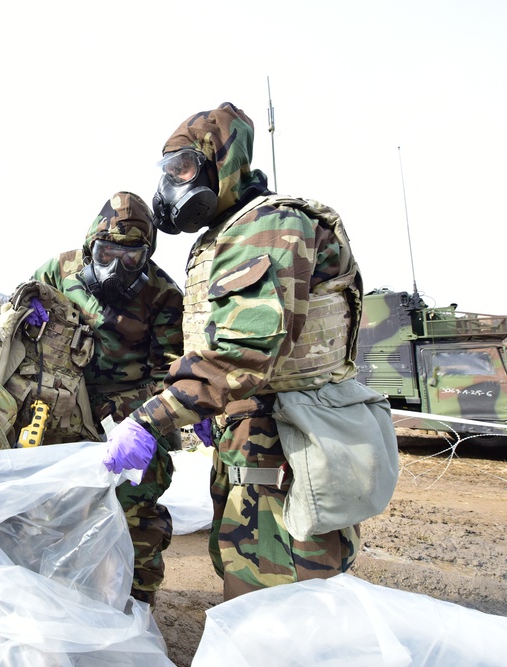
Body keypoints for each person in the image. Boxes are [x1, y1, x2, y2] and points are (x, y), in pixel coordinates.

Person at [103, 103, 366, 601]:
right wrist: (212, 407)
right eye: (167, 172)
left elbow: (241, 355)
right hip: (257, 442)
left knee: (284, 606)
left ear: (220, 164)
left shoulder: (268, 227)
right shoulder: (228, 233)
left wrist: (149, 419)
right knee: (252, 590)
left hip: (289, 448)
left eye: (181, 168)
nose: (171, 185)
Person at [32, 191, 184, 607]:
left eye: (131, 257)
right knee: (57, 507)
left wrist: (140, 421)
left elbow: (171, 374)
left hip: (131, 414)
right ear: (89, 248)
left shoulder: (163, 295)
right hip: (64, 401)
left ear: (147, 255)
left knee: (136, 509)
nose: (117, 266)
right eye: (107, 252)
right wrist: (27, 311)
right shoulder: (61, 268)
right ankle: (60, 597)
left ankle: (136, 601)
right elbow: (24, 306)